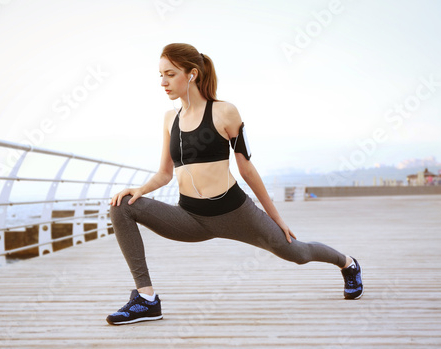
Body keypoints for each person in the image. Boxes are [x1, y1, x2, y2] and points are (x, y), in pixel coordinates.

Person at [106, 43, 363, 326]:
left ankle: (347, 263)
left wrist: (277, 218)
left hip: (236, 213)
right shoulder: (170, 119)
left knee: (298, 253)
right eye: (160, 75)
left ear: (191, 74)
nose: (163, 82)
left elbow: (247, 170)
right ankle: (147, 299)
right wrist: (139, 191)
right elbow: (165, 173)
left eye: (170, 74)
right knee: (122, 206)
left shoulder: (224, 112)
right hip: (190, 217)